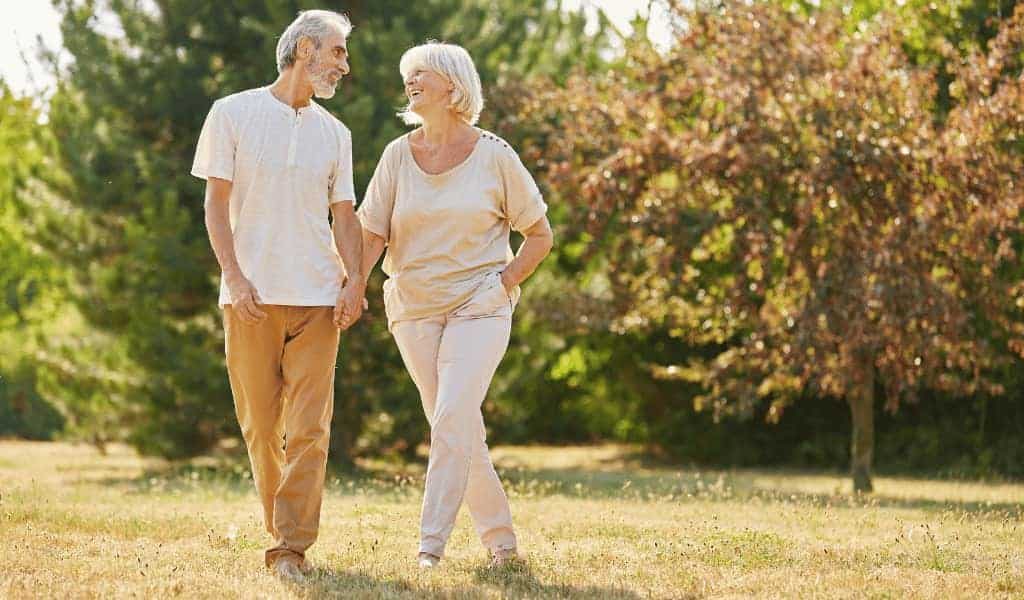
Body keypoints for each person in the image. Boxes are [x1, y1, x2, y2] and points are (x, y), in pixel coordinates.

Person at [356, 41, 554, 569]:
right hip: (414, 309)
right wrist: (353, 284)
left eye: (421, 73)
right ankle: (502, 545)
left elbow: (539, 234)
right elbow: (372, 232)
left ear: (453, 85)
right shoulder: (398, 154)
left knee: (449, 418)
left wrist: (504, 283)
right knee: (458, 427)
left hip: (479, 306)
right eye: (408, 75)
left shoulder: (494, 152)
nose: (411, 82)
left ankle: (430, 548)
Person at [190, 9, 365, 579]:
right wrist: (235, 278)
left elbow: (345, 215)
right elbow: (216, 206)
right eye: (337, 52)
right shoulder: (233, 113)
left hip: (317, 297)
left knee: (311, 428)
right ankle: (279, 526)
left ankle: (290, 546)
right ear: (306, 50)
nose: (344, 64)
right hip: (251, 299)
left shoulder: (334, 134)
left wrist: (355, 280)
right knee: (262, 426)